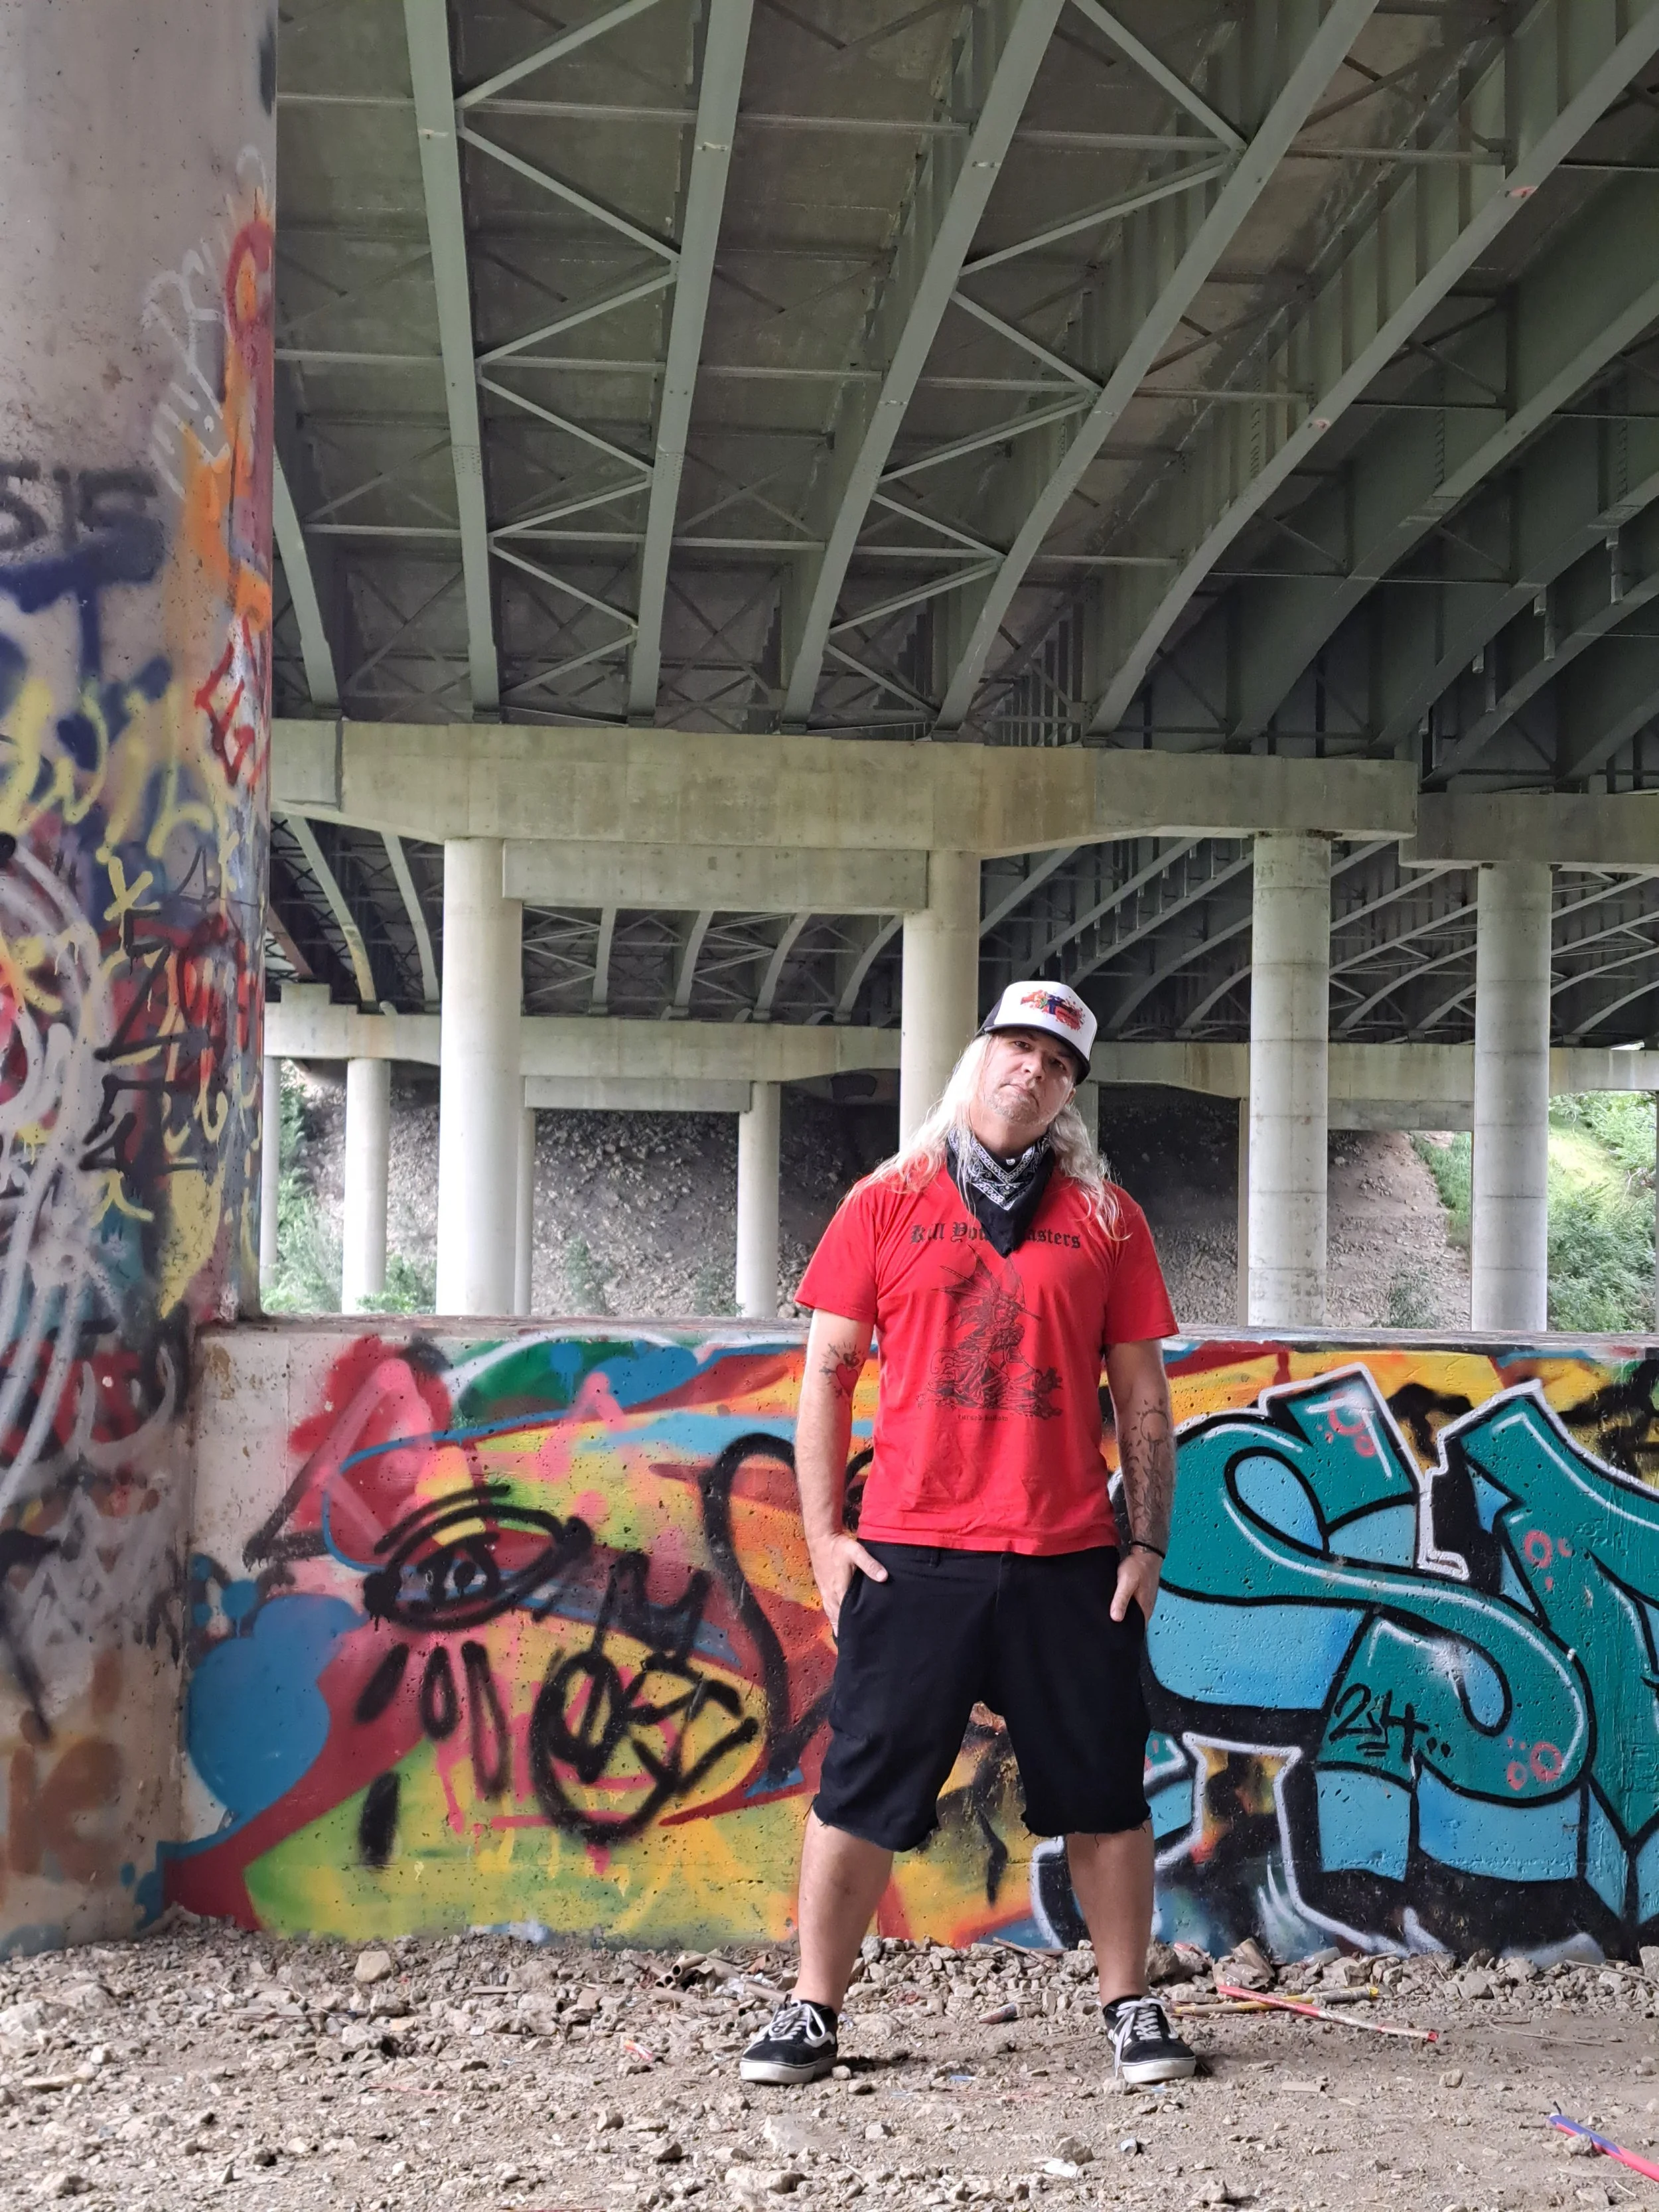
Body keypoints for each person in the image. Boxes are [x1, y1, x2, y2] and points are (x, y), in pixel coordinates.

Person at [740, 979, 1192, 2089]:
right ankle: (812, 2010)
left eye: (1056, 1063)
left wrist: (1145, 1548)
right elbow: (827, 1376)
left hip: (1068, 1559)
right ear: (976, 1056)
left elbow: (1142, 1399)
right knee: (858, 1790)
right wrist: (825, 1537)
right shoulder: (886, 1200)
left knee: (1104, 1792)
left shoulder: (1106, 1218)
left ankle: (1130, 2009)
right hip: (913, 1554)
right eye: (1015, 1048)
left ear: (1068, 1094)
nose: (1029, 1071)